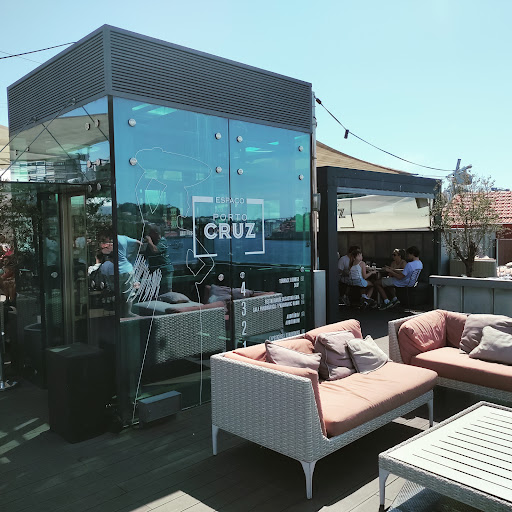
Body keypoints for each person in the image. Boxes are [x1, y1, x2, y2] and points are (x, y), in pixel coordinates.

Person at [144, 225, 174, 294]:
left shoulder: (163, 241)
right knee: (156, 290)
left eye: (150, 233)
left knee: (167, 289)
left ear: (155, 233)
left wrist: (149, 241)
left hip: (165, 270)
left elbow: (155, 250)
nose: (149, 235)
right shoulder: (152, 243)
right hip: (155, 270)